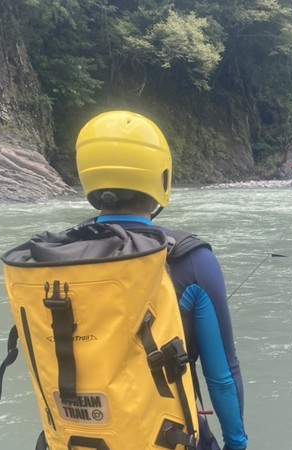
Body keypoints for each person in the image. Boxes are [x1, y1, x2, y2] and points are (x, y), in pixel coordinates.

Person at [76, 111, 248, 449]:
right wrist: (236, 443)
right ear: (162, 178)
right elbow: (222, 376)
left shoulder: (53, 258)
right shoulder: (190, 260)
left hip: (80, 439)